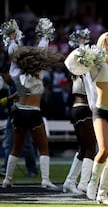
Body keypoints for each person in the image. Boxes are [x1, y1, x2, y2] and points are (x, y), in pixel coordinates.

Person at [65, 31, 108, 204]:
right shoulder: (95, 63)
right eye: (106, 43)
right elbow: (70, 63)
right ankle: (92, 184)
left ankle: (103, 193)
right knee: (103, 149)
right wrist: (85, 49)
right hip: (101, 111)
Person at [2, 18, 61, 189]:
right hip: (34, 113)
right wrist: (45, 35)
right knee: (43, 148)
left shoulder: (16, 74)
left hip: (19, 111)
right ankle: (45, 180)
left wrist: (12, 38)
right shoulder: (39, 73)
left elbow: (13, 54)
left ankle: (7, 180)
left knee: (16, 147)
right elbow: (42, 50)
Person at [62, 28, 97, 194]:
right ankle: (83, 184)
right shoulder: (80, 68)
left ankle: (69, 181)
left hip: (78, 109)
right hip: (82, 109)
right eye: (80, 40)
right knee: (91, 148)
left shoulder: (80, 68)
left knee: (83, 149)